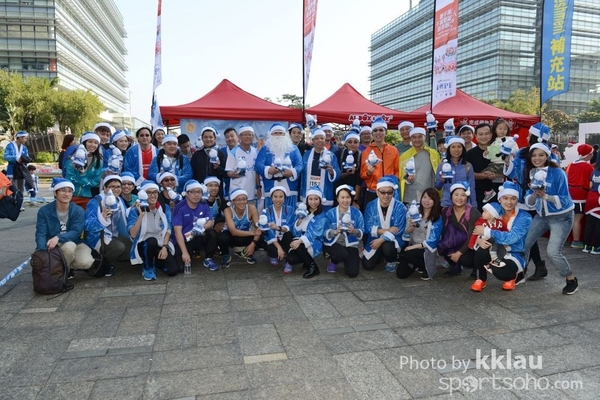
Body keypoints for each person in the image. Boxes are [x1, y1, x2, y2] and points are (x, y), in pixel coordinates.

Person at [522, 143, 579, 294]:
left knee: (553, 251)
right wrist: (535, 194)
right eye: (534, 155)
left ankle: (571, 279)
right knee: (524, 243)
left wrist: (545, 196)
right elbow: (529, 201)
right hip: (542, 215)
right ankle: (520, 272)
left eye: (541, 155)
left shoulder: (558, 173)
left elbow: (565, 200)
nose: (537, 158)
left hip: (562, 217)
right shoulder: (532, 172)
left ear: (547, 156)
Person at [504, 123, 555, 280]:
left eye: (529, 135)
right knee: (526, 235)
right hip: (522, 199)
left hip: (539, 201)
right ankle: (534, 266)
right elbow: (514, 174)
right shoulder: (521, 153)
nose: (526, 137)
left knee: (527, 236)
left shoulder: (550, 156)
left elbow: (555, 178)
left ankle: (528, 267)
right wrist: (507, 161)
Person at [470, 182, 532, 292]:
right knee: (481, 251)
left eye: (513, 198)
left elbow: (512, 237)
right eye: (505, 198)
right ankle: (481, 279)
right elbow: (479, 228)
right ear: (499, 199)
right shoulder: (493, 212)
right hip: (494, 249)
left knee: (501, 273)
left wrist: (487, 231)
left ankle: (514, 276)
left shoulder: (524, 217)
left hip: (514, 252)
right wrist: (478, 239)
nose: (509, 202)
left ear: (517, 200)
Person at [35, 178, 94, 274]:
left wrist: (58, 237)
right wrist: (41, 250)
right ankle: (61, 273)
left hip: (76, 241)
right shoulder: (44, 211)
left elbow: (76, 231)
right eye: (63, 190)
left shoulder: (78, 210)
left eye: (70, 191)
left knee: (86, 262)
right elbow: (41, 233)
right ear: (55, 192)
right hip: (54, 244)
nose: (66, 194)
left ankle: (65, 266)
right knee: (69, 247)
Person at [128, 180, 177, 280]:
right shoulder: (134, 211)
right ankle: (147, 267)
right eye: (148, 193)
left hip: (160, 242)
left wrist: (165, 247)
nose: (153, 195)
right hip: (143, 244)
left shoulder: (164, 207)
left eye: (155, 192)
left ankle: (156, 261)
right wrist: (141, 215)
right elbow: (133, 234)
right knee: (151, 241)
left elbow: (168, 229)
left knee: (172, 270)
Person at [84, 175, 132, 276]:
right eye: (111, 186)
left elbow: (125, 217)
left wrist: (134, 209)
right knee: (119, 247)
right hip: (98, 237)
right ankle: (107, 264)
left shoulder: (119, 200)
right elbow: (88, 225)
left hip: (115, 234)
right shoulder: (95, 202)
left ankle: (111, 257)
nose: (115, 189)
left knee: (133, 249)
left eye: (118, 187)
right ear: (105, 188)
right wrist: (102, 218)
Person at [172, 180, 221, 271]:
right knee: (180, 268)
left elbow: (211, 222)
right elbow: (177, 232)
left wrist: (200, 229)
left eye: (199, 192)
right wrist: (184, 252)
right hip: (184, 238)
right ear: (187, 193)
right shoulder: (179, 207)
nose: (196, 195)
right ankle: (189, 252)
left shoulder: (203, 204)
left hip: (198, 235)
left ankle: (208, 258)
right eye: (193, 192)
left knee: (212, 233)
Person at [396, 188, 443, 280]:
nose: (426, 201)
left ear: (435, 201)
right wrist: (411, 226)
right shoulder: (414, 211)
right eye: (424, 197)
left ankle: (425, 266)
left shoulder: (437, 218)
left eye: (430, 199)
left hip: (426, 248)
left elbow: (433, 241)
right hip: (412, 244)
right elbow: (407, 231)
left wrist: (413, 247)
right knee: (400, 274)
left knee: (408, 254)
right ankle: (417, 264)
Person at [362, 176, 406, 273]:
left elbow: (398, 230)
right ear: (377, 192)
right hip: (374, 239)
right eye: (383, 192)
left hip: (393, 240)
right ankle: (382, 256)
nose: (386, 195)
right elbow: (367, 227)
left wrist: (381, 240)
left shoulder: (400, 207)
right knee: (367, 265)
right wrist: (386, 230)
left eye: (389, 192)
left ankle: (392, 260)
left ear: (393, 192)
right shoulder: (371, 206)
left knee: (388, 247)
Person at [437, 182, 480, 277]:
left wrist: (459, 253)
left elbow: (472, 236)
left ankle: (476, 267)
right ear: (451, 196)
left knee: (465, 259)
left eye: (463, 195)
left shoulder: (474, 213)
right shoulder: (446, 211)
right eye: (456, 195)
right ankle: (454, 267)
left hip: (471, 245)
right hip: (455, 241)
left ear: (467, 197)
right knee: (442, 246)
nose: (459, 198)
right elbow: (444, 232)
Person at [255, 123, 303, 207]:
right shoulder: (265, 149)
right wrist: (268, 170)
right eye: (275, 133)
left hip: (290, 188)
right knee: (271, 212)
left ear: (285, 135)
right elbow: (258, 165)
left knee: (290, 211)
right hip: (271, 187)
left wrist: (292, 172)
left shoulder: (293, 148)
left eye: (280, 133)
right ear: (271, 135)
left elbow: (300, 165)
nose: (278, 135)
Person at [323, 185, 365, 277]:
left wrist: (354, 231)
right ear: (337, 199)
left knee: (353, 273)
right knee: (341, 254)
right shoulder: (330, 213)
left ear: (351, 198)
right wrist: (334, 232)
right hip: (334, 243)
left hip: (350, 244)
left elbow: (362, 231)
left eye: (348, 197)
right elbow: (324, 232)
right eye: (342, 197)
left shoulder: (357, 213)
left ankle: (346, 259)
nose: (345, 200)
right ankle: (334, 261)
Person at [286, 186, 327, 278]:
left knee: (295, 254)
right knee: (287, 237)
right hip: (299, 239)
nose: (313, 202)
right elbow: (295, 232)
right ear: (307, 200)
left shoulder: (322, 215)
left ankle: (313, 266)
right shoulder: (303, 210)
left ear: (320, 200)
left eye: (316, 199)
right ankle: (306, 259)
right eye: (310, 199)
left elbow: (314, 233)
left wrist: (300, 241)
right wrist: (300, 220)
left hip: (314, 241)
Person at [360, 117, 399, 207]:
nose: (378, 133)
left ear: (386, 132)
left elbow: (397, 171)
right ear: (372, 133)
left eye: (381, 130)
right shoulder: (366, 152)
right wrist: (368, 173)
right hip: (373, 191)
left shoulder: (393, 150)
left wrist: (392, 184)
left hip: (389, 192)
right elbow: (362, 174)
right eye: (375, 130)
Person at [300, 128, 340, 210]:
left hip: (325, 193)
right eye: (317, 138)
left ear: (325, 140)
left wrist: (332, 172)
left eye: (322, 138)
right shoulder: (306, 155)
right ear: (313, 141)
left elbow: (338, 173)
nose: (319, 140)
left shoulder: (331, 156)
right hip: (308, 191)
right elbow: (302, 173)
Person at [219, 188, 262, 264]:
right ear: (233, 201)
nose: (242, 202)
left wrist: (253, 244)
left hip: (244, 235)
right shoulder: (228, 210)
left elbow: (259, 228)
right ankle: (225, 254)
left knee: (262, 237)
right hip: (231, 237)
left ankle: (246, 252)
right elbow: (233, 232)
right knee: (222, 237)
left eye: (244, 199)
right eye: (238, 200)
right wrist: (253, 233)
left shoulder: (252, 208)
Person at [399, 127, 440, 205]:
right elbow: (402, 175)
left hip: (429, 197)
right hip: (410, 197)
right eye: (414, 137)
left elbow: (436, 174)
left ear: (424, 137)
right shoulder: (404, 156)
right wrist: (408, 179)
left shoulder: (433, 154)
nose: (417, 139)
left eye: (420, 136)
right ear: (411, 138)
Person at [465, 123, 501, 209]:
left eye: (487, 134)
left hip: (499, 192)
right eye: (480, 134)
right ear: (476, 136)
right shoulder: (469, 154)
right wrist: (484, 175)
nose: (484, 137)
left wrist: (496, 175)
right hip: (477, 193)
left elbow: (507, 170)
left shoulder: (499, 151)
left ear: (491, 135)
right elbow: (467, 173)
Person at [64, 132, 104, 209]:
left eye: (96, 143)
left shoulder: (98, 162)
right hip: (71, 195)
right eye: (90, 142)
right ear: (84, 142)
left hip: (87, 196)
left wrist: (80, 178)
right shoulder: (73, 158)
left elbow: (96, 181)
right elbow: (69, 177)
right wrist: (86, 181)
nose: (93, 145)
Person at [435, 136, 476, 207]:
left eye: (459, 147)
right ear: (448, 149)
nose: (456, 150)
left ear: (463, 149)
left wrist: (474, 205)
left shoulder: (468, 166)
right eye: (453, 147)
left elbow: (472, 187)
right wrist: (441, 181)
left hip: (464, 204)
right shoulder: (443, 165)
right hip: (447, 203)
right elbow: (437, 186)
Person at [566, 144, 594, 248]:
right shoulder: (588, 167)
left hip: (569, 194)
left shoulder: (570, 164)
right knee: (577, 219)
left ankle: (567, 238)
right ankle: (576, 241)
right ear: (588, 155)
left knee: (569, 218)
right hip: (580, 196)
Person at [261, 186, 295, 266]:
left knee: (289, 234)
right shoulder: (266, 211)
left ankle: (289, 260)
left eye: (281, 197)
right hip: (273, 241)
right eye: (275, 197)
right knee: (270, 246)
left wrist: (278, 228)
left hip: (284, 239)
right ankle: (274, 255)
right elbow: (267, 231)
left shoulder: (289, 209)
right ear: (271, 198)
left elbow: (290, 226)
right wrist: (279, 248)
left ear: (284, 198)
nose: (278, 199)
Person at [225, 125, 260, 203]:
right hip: (237, 193)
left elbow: (256, 172)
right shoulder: (234, 152)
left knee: (252, 210)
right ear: (239, 137)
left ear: (253, 137)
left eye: (250, 134)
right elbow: (228, 171)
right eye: (245, 134)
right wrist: (234, 174)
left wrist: (258, 187)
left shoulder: (255, 151)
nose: (248, 137)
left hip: (251, 193)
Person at [190, 126, 227, 191]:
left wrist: (218, 167)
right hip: (200, 189)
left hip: (216, 190)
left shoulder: (220, 154)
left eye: (210, 137)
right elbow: (192, 173)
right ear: (202, 138)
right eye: (205, 137)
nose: (208, 139)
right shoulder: (196, 154)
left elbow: (226, 173)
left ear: (215, 138)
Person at [335, 130, 362, 208]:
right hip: (339, 190)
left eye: (355, 142)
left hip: (354, 191)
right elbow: (336, 175)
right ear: (346, 143)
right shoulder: (339, 154)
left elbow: (359, 180)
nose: (352, 144)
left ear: (359, 143)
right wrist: (347, 173)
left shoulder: (361, 155)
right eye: (350, 142)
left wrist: (355, 200)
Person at [4, 131, 30, 197]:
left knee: (21, 188)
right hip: (12, 169)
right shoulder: (10, 146)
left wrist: (25, 159)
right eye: (25, 138)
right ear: (20, 137)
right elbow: (6, 156)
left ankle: (20, 201)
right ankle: (13, 201)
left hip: (22, 169)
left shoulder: (24, 148)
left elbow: (27, 157)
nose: (26, 140)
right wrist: (16, 158)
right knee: (13, 187)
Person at [583, 156, 600, 253]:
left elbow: (590, 185)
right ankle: (596, 247)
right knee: (598, 225)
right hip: (598, 200)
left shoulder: (594, 172)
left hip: (591, 199)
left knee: (589, 224)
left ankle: (586, 246)